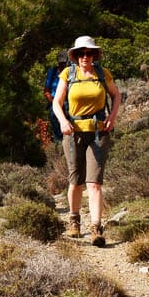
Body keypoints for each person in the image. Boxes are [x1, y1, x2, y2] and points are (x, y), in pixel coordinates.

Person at [52, 35, 121, 247]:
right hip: (73, 133)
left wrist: (112, 117)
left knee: (95, 183)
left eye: (89, 53)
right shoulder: (68, 74)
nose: (85, 57)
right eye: (81, 53)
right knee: (75, 181)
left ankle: (97, 228)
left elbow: (116, 95)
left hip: (98, 133)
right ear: (75, 56)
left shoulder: (102, 74)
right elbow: (57, 102)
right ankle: (74, 222)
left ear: (94, 55)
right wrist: (63, 121)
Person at [43, 51, 69, 141]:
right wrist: (54, 102)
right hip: (54, 100)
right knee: (53, 115)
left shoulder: (71, 71)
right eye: (61, 63)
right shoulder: (53, 71)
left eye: (64, 63)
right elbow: (46, 90)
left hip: (69, 100)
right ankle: (59, 140)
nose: (62, 64)